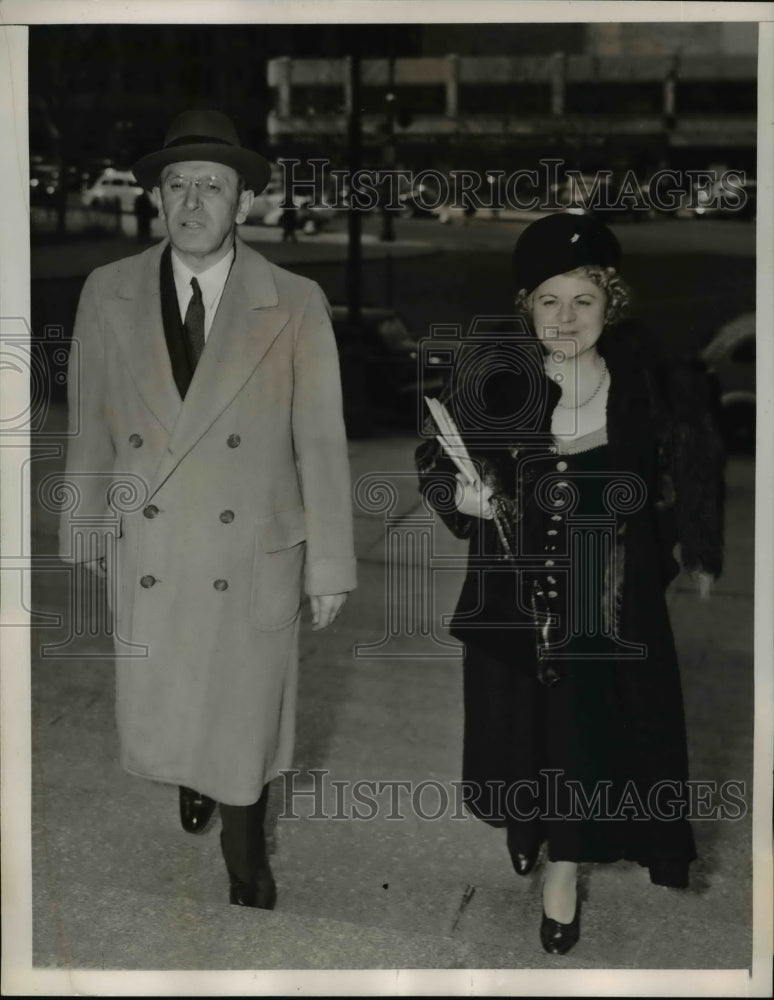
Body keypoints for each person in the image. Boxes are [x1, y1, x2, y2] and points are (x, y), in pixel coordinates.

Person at [58, 109, 356, 909]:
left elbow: (320, 441)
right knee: (177, 700)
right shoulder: (106, 289)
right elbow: (89, 416)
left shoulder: (294, 300)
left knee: (244, 720)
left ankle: (245, 844)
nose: (193, 201)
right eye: (178, 185)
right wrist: (84, 521)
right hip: (155, 547)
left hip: (249, 550)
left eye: (212, 187)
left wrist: (329, 563)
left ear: (245, 204)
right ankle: (192, 775)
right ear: (158, 197)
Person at [416, 212, 724, 955]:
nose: (565, 318)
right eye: (549, 300)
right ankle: (528, 823)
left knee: (586, 740)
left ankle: (564, 870)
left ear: (610, 302)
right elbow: (436, 454)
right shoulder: (497, 378)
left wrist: (698, 552)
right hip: (513, 590)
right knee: (519, 731)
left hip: (607, 595)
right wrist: (464, 495)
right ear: (527, 306)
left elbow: (691, 466)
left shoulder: (649, 384)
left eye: (583, 300)